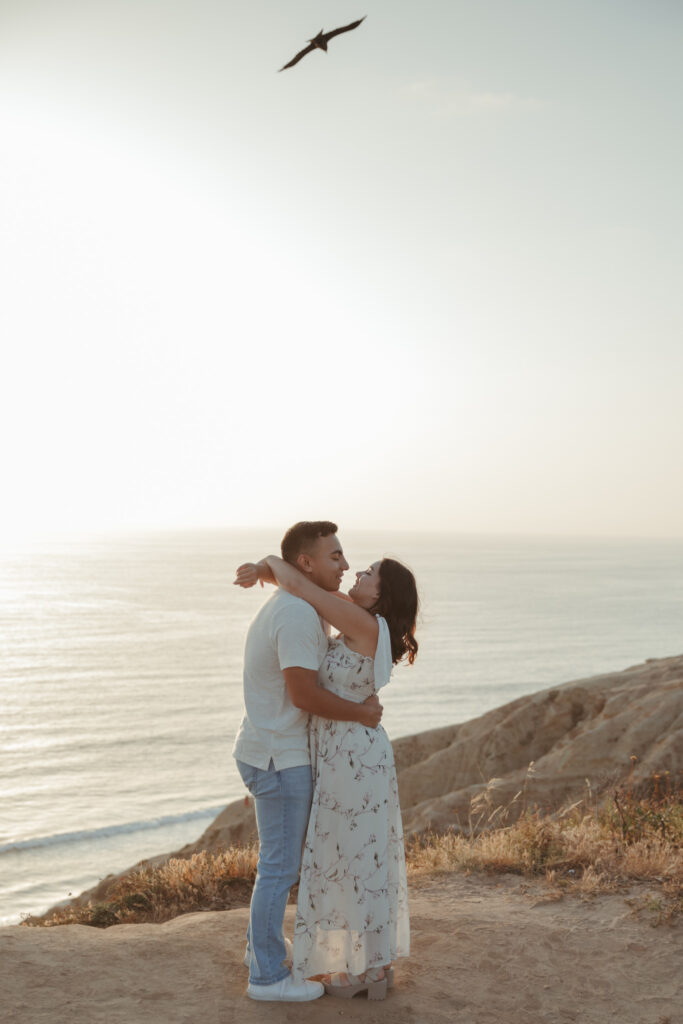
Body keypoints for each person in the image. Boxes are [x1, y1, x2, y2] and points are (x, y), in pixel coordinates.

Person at [234, 547, 418, 1001]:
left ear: (383, 594)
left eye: (370, 572)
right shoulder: (357, 622)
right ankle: (369, 964)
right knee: (350, 859)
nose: (359, 571)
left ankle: (365, 970)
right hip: (344, 754)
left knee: (354, 860)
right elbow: (305, 588)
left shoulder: (363, 623)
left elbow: (301, 585)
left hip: (354, 757)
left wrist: (266, 566)